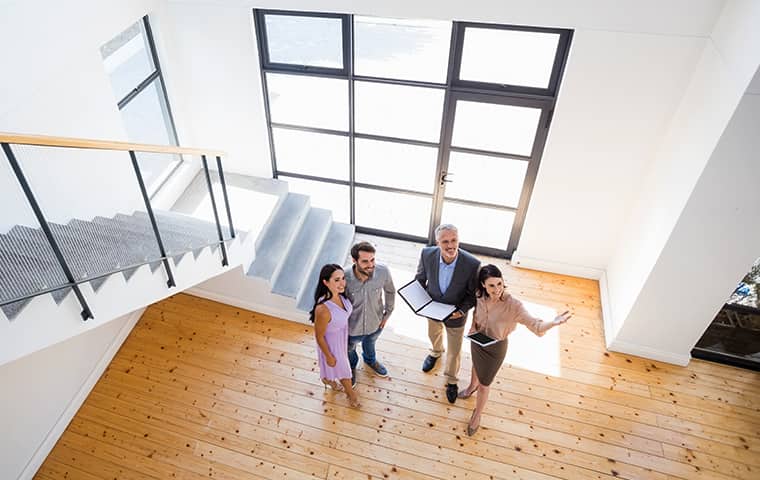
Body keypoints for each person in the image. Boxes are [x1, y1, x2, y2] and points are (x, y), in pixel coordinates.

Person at [459, 264, 572, 435]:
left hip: (495, 349)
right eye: (491, 285)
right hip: (477, 340)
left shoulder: (514, 306)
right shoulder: (479, 296)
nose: (497, 289)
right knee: (475, 365)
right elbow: (475, 314)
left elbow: (536, 325)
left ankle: (477, 414)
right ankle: (470, 387)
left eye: (500, 284)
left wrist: (553, 323)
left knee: (485, 384)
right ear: (483, 285)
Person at [415, 224, 480, 403]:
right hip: (432, 308)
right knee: (433, 334)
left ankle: (452, 379)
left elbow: (472, 295)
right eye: (445, 241)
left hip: (456, 314)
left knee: (454, 349)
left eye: (454, 240)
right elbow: (420, 279)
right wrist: (419, 301)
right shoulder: (427, 254)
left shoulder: (472, 264)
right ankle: (435, 352)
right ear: (438, 242)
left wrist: (461, 311)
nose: (450, 245)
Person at [344, 241, 396, 385]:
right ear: (355, 261)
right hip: (352, 328)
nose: (371, 264)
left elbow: (390, 291)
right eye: (365, 261)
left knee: (370, 343)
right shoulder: (344, 277)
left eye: (372, 259)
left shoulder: (383, 271)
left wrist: (387, 314)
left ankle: (370, 360)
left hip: (376, 323)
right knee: (349, 349)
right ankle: (352, 366)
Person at [309, 264, 360, 408]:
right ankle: (351, 394)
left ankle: (328, 380)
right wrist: (329, 355)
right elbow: (319, 337)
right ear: (325, 282)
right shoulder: (323, 309)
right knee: (344, 368)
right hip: (330, 342)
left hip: (341, 336)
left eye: (343, 278)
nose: (342, 283)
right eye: (337, 280)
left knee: (337, 366)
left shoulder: (341, 296)